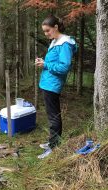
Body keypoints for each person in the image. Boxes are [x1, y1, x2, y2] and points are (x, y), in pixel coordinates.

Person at [34, 15, 77, 159]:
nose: (46, 34)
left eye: (47, 31)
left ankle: (54, 147)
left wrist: (45, 64)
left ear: (56, 27)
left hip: (53, 84)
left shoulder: (64, 44)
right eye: (44, 31)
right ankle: (53, 141)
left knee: (54, 117)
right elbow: (54, 62)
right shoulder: (55, 42)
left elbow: (64, 67)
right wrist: (44, 62)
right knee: (52, 115)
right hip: (48, 83)